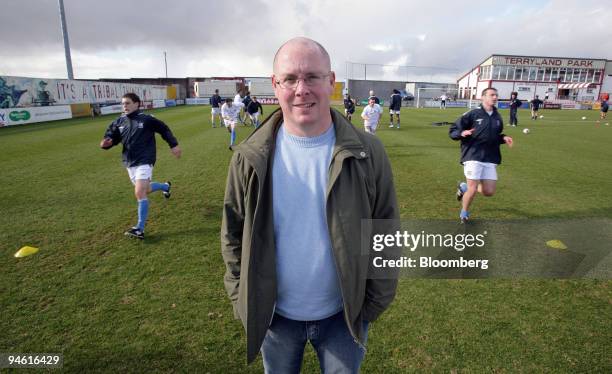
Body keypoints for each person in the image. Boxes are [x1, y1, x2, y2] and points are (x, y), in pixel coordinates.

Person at [221, 37, 399, 372]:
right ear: (276, 85)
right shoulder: (249, 157)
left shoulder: (368, 152)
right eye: (290, 79)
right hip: (275, 318)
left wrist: (372, 303)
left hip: (344, 319)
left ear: (331, 82)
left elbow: (386, 231)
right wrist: (241, 296)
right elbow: (232, 234)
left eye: (312, 77)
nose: (301, 89)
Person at [99, 93, 181, 239]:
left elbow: (164, 129)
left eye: (128, 103)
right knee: (146, 189)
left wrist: (173, 145)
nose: (125, 106)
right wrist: (106, 144)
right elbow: (111, 138)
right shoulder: (118, 122)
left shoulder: (147, 119)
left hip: (145, 159)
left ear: (137, 104)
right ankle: (165, 187)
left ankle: (139, 228)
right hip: (130, 162)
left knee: (139, 192)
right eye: (123, 103)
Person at [449, 87, 513, 223]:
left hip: (490, 157)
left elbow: (495, 135)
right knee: (472, 189)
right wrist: (461, 133)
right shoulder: (472, 113)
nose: (495, 97)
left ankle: (463, 187)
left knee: (488, 192)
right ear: (483, 97)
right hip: (473, 154)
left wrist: (504, 138)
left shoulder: (497, 117)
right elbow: (454, 129)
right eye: (492, 95)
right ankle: (464, 214)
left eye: (496, 95)